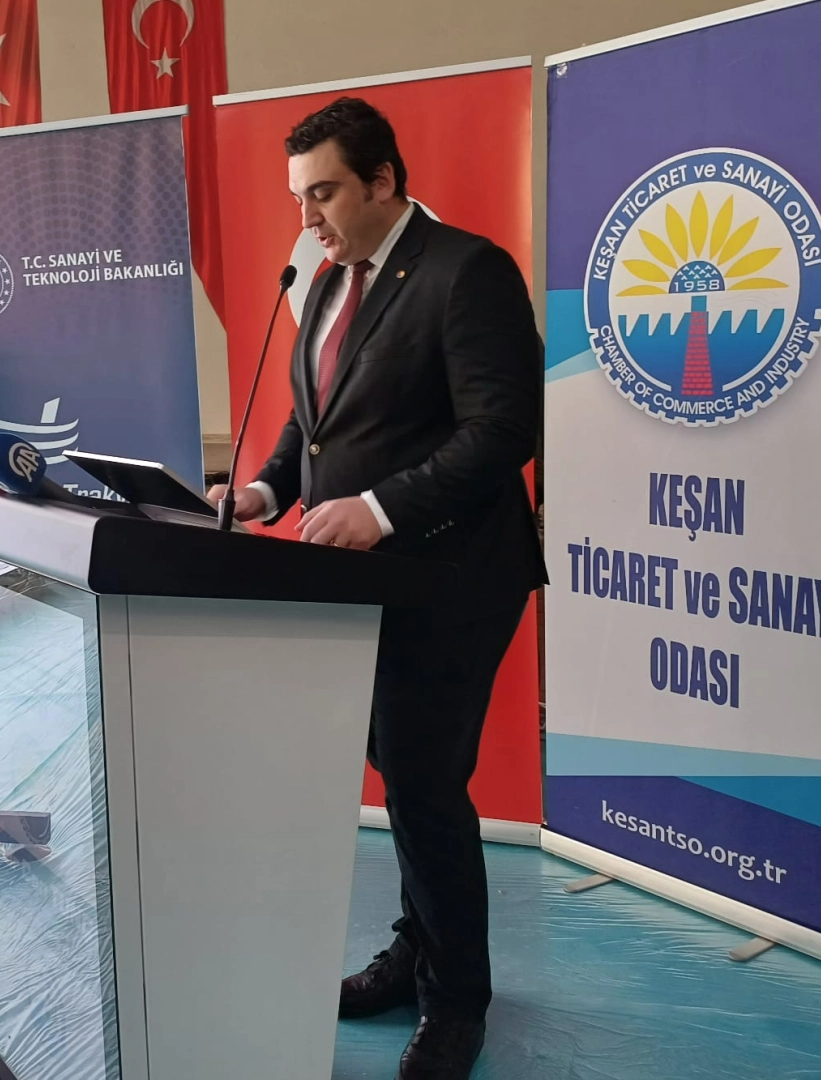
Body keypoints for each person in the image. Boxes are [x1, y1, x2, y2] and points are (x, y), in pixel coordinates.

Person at [208, 98, 545, 1080]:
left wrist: (381, 508)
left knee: (424, 788)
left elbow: (502, 432)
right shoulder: (325, 280)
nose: (306, 216)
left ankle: (456, 1003)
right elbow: (313, 419)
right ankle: (415, 952)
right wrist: (267, 487)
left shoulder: (466, 271)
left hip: (450, 579)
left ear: (383, 181)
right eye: (297, 196)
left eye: (323, 194)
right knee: (402, 779)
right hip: (358, 584)